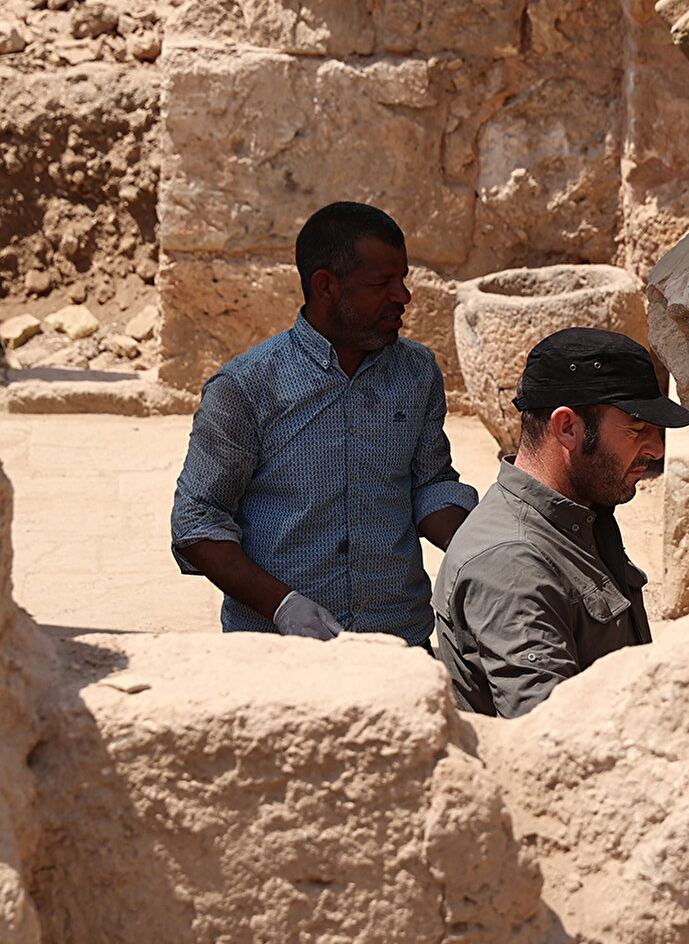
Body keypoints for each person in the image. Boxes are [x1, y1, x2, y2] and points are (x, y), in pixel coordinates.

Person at [171, 201, 477, 645]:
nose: (403, 296)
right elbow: (197, 521)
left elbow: (429, 485)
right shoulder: (245, 387)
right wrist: (282, 605)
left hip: (398, 642)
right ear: (325, 286)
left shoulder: (417, 372)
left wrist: (487, 550)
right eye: (382, 283)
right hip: (278, 653)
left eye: (403, 279)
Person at [434, 327, 689, 717]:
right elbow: (551, 743)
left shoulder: (581, 511)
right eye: (637, 430)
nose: (656, 449)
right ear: (568, 427)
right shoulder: (511, 564)